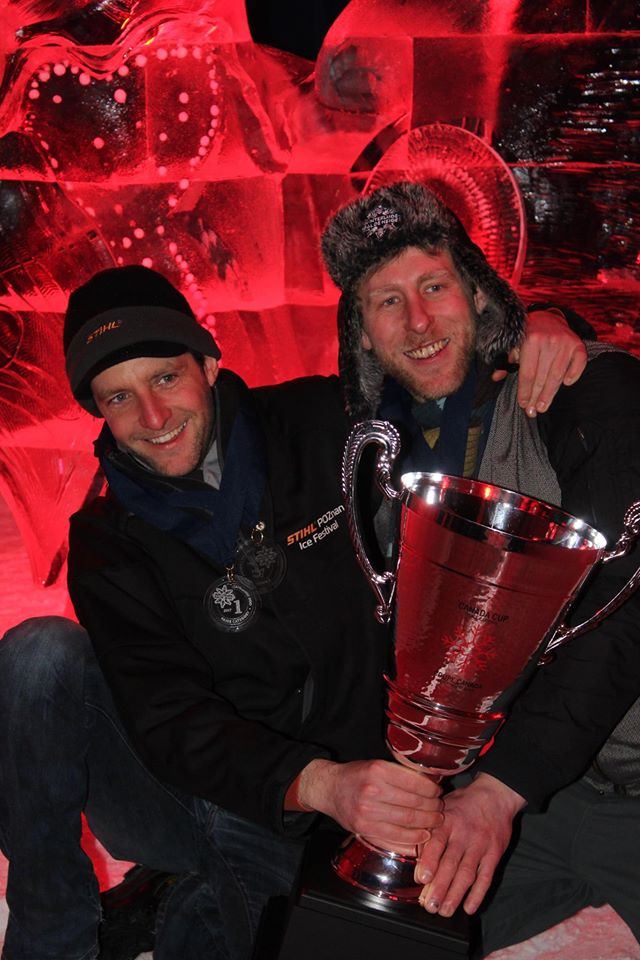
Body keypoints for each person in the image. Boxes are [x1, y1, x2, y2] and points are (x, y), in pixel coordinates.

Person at [0, 251, 587, 960]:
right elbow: (165, 712)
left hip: (351, 793)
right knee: (38, 656)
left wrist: (542, 327)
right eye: (119, 398)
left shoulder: (323, 422)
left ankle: (178, 903)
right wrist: (315, 783)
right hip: (203, 789)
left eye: (166, 377)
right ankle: (51, 941)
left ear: (207, 363)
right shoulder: (106, 538)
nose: (153, 416)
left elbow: (440, 378)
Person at [320, 180, 640, 955]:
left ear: (480, 295)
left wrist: (501, 791)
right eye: (387, 301)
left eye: (435, 287)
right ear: (363, 335)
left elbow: (626, 607)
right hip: (531, 802)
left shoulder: (583, 390)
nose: (418, 320)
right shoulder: (370, 457)